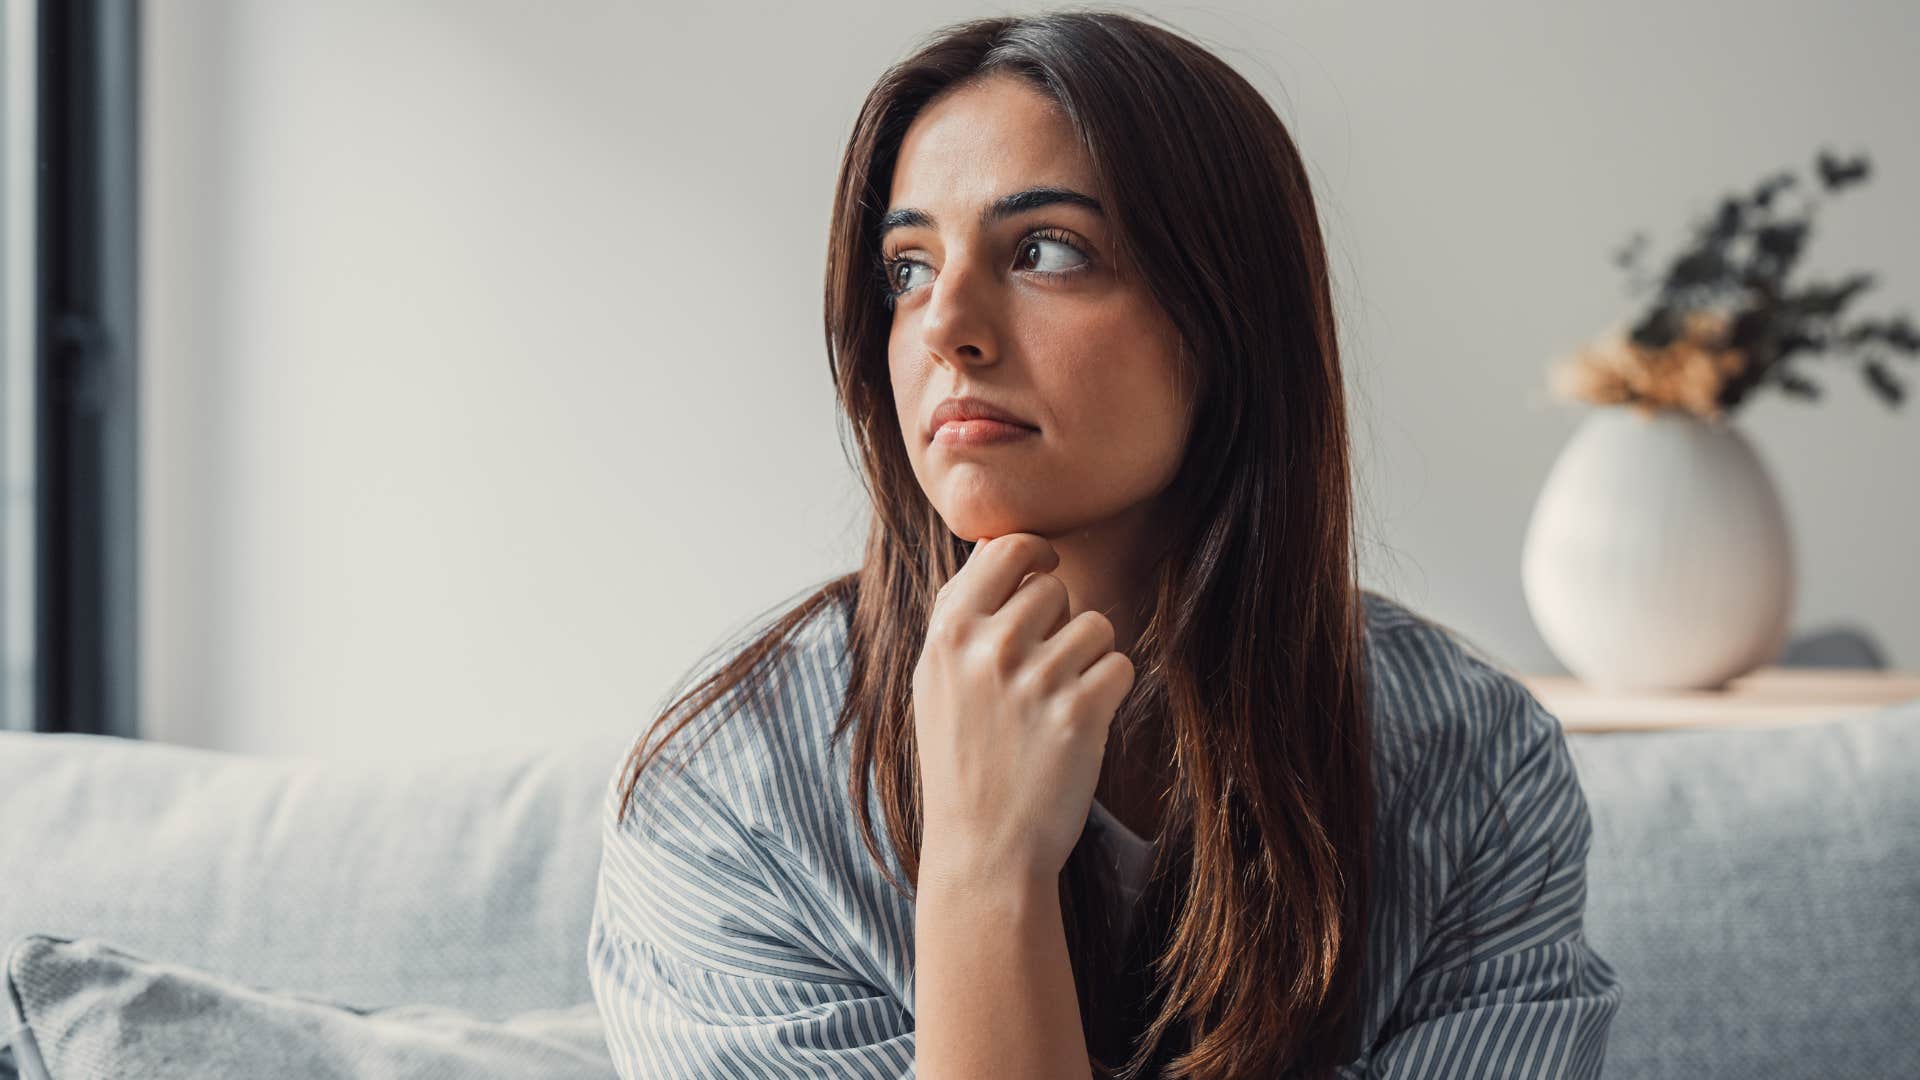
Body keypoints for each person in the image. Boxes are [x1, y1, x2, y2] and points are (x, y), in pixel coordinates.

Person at [587, 10, 1622, 1078]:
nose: (945, 324)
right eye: (906, 267)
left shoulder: (1474, 769)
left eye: (1044, 251)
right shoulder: (727, 796)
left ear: (1227, 324)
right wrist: (985, 874)